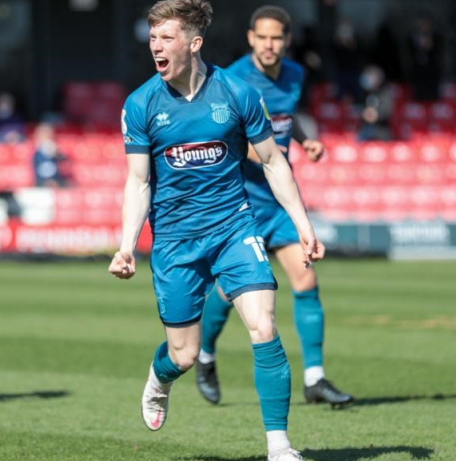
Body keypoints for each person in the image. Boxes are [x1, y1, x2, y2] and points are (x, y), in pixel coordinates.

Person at [109, 1, 323, 460]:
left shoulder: (238, 92)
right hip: (174, 241)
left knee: (263, 324)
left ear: (194, 43)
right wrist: (127, 245)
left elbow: (272, 161)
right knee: (183, 355)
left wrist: (303, 225)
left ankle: (280, 447)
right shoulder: (141, 103)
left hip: (233, 228)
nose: (156, 47)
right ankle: (159, 377)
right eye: (153, 39)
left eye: (166, 38)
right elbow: (138, 180)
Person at [197, 5, 354, 410]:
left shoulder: (295, 75)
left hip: (280, 204)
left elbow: (286, 119)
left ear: (285, 41)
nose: (270, 45)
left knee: (305, 283)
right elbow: (224, 136)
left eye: (277, 38)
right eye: (262, 37)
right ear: (252, 38)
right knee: (229, 292)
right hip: (241, 204)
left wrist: (306, 141)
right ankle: (205, 354)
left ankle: (314, 378)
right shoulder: (230, 79)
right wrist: (262, 153)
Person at [357, 64, 394, 141]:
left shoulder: (385, 93)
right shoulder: (364, 93)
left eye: (370, 76)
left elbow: (385, 113)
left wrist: (373, 115)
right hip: (365, 131)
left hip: (381, 133)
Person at [32, 123, 70, 187]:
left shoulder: (56, 151)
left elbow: (64, 164)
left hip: (56, 182)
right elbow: (37, 170)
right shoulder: (36, 153)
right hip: (41, 183)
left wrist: (56, 153)